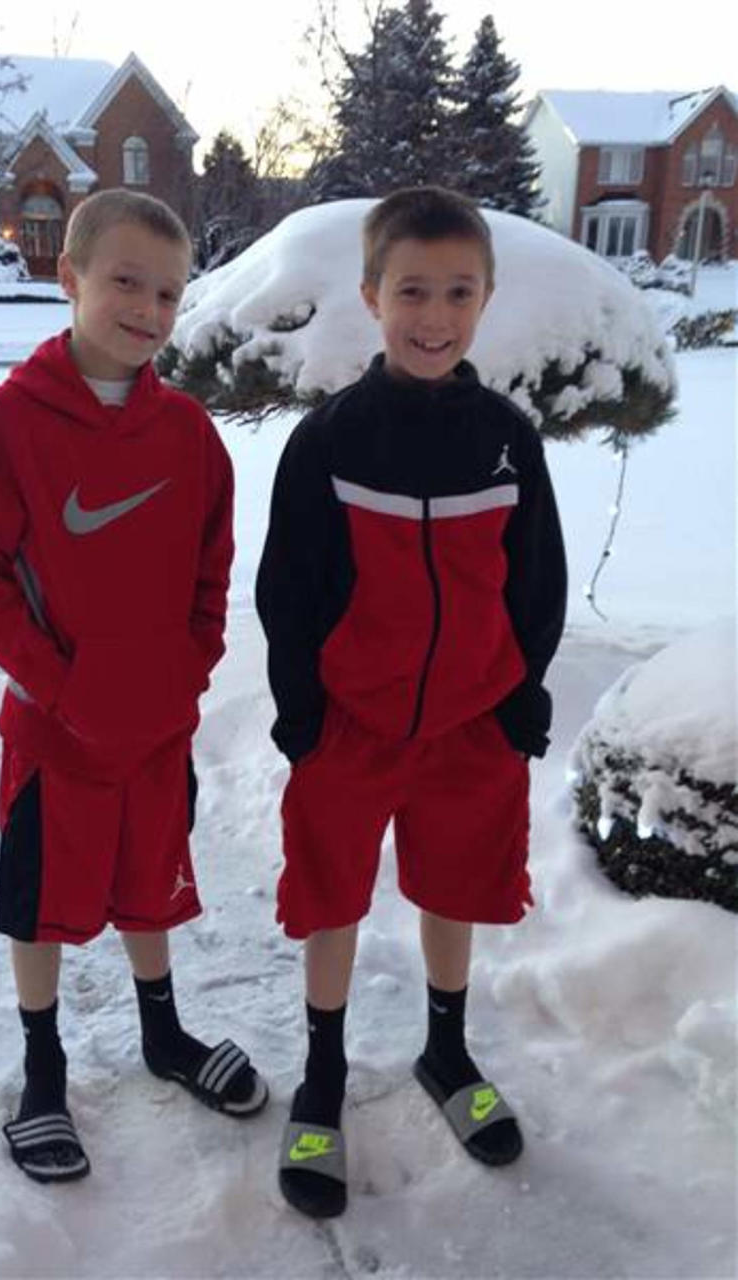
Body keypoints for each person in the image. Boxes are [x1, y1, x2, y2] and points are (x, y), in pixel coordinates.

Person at [0, 188, 268, 1185]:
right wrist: (59, 683)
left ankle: (165, 1035)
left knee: (149, 891)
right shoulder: (10, 424)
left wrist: (190, 667)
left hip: (158, 727)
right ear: (69, 277)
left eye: (169, 291)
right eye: (126, 281)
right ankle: (45, 1068)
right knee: (38, 904)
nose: (149, 308)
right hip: (57, 734)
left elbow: (214, 571)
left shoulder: (189, 437)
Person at [256, 186, 567, 1218]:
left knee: (454, 883)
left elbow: (536, 578)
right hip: (352, 722)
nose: (435, 315)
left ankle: (446, 1047)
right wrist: (300, 705)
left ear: (485, 300)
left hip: (470, 725)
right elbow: (287, 585)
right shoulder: (331, 441)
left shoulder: (507, 437)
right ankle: (324, 1070)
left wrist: (523, 688)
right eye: (413, 291)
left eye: (458, 292)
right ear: (371, 295)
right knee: (333, 891)